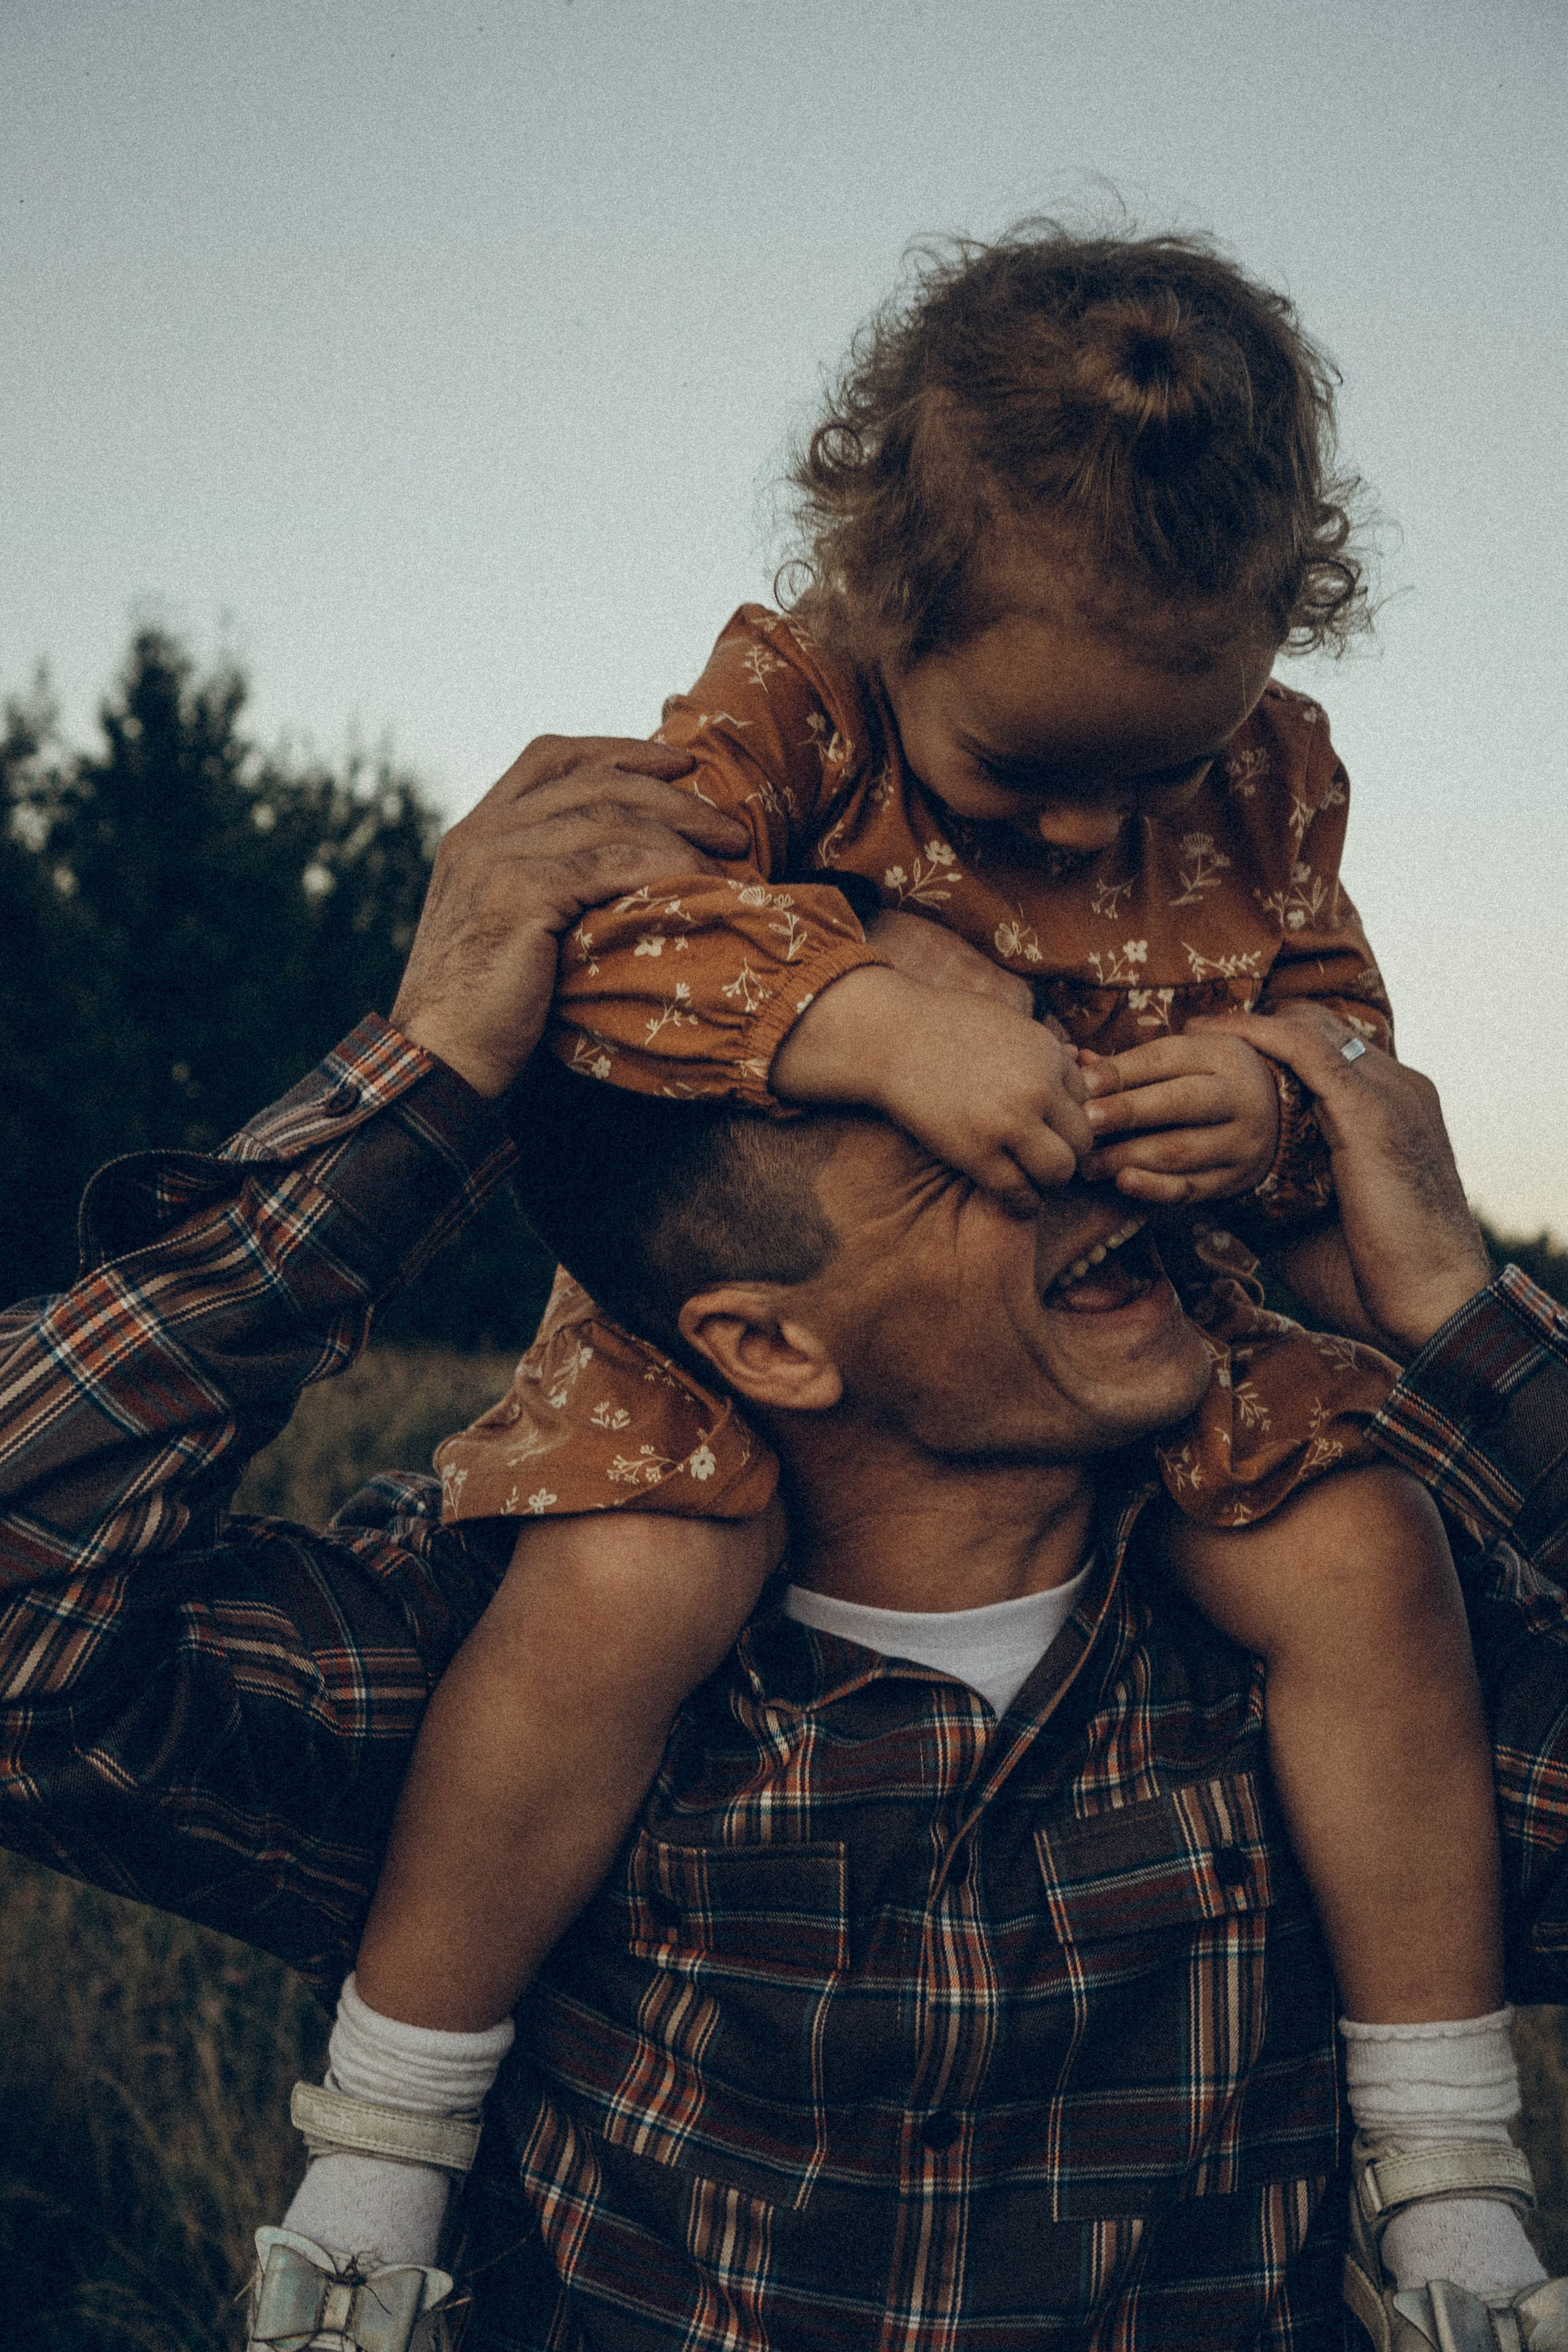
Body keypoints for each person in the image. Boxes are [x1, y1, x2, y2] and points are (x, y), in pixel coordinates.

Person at [306, 224, 1518, 2321]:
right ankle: (384, 2147)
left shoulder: (1278, 772)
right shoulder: (797, 705)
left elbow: (1338, 1017)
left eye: (1154, 774)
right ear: (889, 604)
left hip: (1162, 1282)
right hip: (752, 1314)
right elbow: (611, 930)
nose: (1087, 833)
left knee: (1364, 1555)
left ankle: (1445, 2168)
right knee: (628, 1583)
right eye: (1028, 778)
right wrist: (869, 1017)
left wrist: (1268, 1081)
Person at [2, 742, 1567, 2351]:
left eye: (1060, 1055)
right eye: (986, 1135)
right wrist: (421, 1090)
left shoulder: (1355, 1659)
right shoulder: (518, 1668)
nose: (1098, 1137)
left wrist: (1459, 1317)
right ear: (765, 1344)